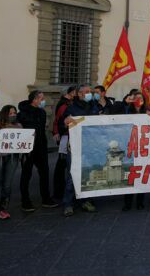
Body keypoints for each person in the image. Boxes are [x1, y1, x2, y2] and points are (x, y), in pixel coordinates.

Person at [61, 84, 99, 216]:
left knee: (89, 173)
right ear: (80, 94)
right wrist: (66, 121)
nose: (90, 94)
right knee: (73, 174)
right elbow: (63, 124)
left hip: (91, 146)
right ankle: (68, 204)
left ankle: (87, 201)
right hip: (76, 147)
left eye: (90, 92)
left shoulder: (94, 106)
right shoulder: (71, 108)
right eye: (87, 92)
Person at [18, 90, 58, 211]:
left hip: (41, 147)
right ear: (34, 100)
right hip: (28, 148)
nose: (43, 101)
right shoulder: (23, 113)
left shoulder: (41, 112)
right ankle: (25, 201)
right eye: (41, 98)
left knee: (44, 173)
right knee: (26, 174)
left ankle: (46, 199)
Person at [120, 92, 149, 211]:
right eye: (136, 98)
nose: (138, 100)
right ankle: (128, 202)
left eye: (140, 98)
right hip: (130, 146)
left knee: (141, 174)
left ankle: (140, 202)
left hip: (143, 146)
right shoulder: (127, 110)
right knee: (130, 174)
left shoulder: (147, 112)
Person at [52, 86, 75, 201]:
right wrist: (56, 131)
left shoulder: (67, 104)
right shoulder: (65, 106)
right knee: (62, 165)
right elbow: (58, 120)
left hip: (67, 136)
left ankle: (60, 191)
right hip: (66, 137)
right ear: (68, 94)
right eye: (75, 92)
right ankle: (59, 191)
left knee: (63, 165)